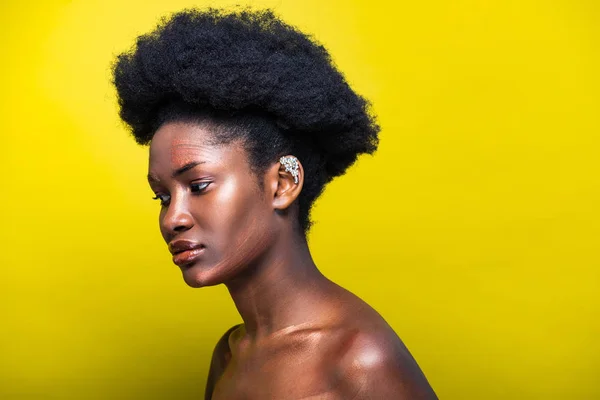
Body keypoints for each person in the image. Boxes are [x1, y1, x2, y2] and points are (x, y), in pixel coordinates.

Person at [112, 8, 437, 399]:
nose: (173, 219)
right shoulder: (229, 357)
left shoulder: (358, 360)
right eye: (163, 197)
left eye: (198, 185)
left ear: (283, 184)